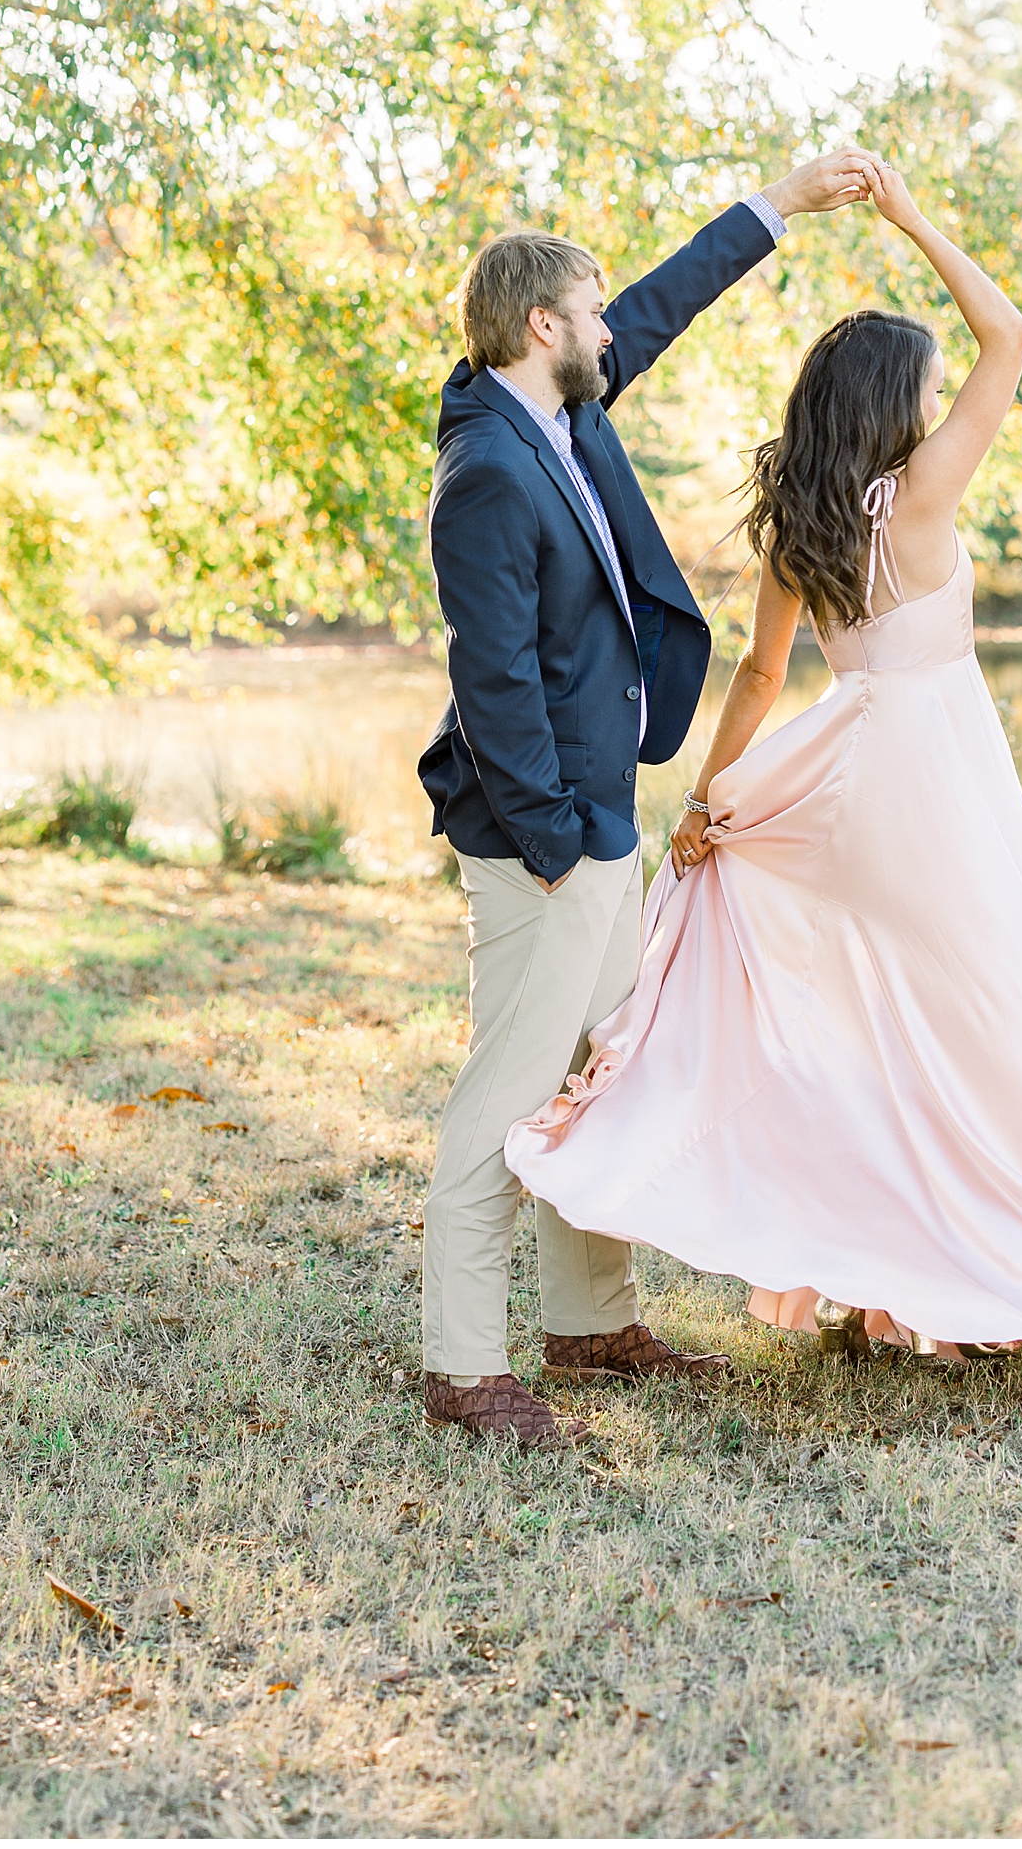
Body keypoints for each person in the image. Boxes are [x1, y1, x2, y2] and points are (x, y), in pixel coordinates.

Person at [505, 160, 1022, 1383]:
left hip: (845, 783)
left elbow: (756, 679)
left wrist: (708, 802)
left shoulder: (799, 521)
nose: (931, 398)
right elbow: (1007, 332)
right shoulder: (917, 498)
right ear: (892, 404)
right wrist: (908, 216)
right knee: (990, 1029)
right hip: (939, 785)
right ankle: (955, 1276)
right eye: (918, 385)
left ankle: (886, 1290)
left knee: (870, 1030)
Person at [416, 151, 880, 1448]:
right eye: (593, 309)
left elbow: (668, 301)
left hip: (599, 823)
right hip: (542, 840)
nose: (615, 328)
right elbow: (492, 680)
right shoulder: (488, 474)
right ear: (537, 325)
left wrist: (779, 205)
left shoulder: (561, 412)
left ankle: (590, 1323)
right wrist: (562, 844)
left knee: (600, 1078)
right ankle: (463, 1361)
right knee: (510, 1091)